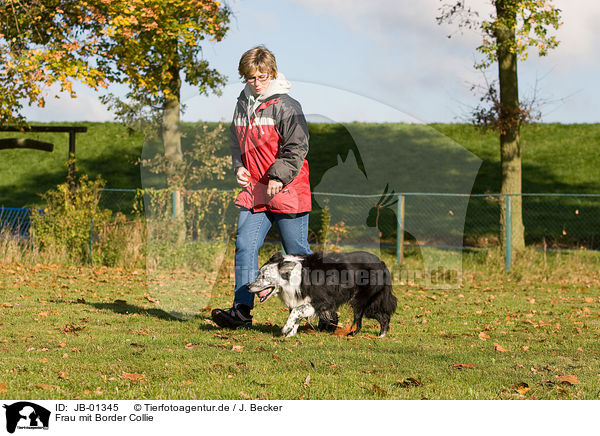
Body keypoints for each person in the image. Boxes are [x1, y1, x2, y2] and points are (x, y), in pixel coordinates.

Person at [211, 46, 336, 331]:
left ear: (273, 73)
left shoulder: (287, 105)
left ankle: (325, 310)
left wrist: (278, 176)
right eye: (251, 77)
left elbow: (297, 147)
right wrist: (238, 167)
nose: (256, 82)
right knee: (245, 246)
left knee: (297, 253)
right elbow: (236, 143)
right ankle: (241, 311)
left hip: (287, 189)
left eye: (262, 76)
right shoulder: (242, 103)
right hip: (255, 191)